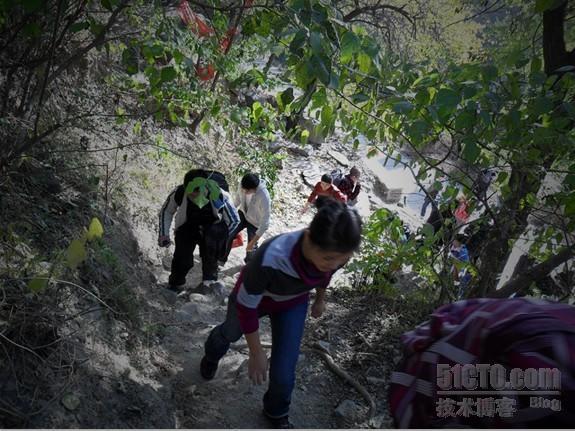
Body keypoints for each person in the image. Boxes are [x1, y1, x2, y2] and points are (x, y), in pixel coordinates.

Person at [200, 200, 362, 428]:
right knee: (230, 333)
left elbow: (327, 274)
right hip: (252, 301)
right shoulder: (271, 256)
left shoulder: (336, 254)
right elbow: (247, 308)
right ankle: (210, 357)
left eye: (341, 259)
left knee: (285, 368)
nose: (334, 264)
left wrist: (320, 299)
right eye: (327, 259)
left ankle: (276, 412)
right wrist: (256, 354)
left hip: (292, 303)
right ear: (308, 238)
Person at [158, 169, 240, 292]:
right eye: (190, 194)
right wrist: (164, 234)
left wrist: (221, 238)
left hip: (212, 229)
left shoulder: (220, 195)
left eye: (196, 194)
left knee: (210, 258)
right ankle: (175, 284)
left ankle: (208, 286)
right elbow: (167, 211)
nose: (193, 197)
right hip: (187, 227)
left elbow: (234, 220)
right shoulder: (179, 192)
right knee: (181, 258)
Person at [224, 173, 271, 263]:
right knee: (229, 234)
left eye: (247, 191)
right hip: (243, 214)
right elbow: (237, 201)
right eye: (243, 189)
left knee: (251, 248)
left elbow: (265, 222)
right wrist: (229, 215)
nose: (244, 192)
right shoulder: (242, 185)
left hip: (255, 222)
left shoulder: (264, 196)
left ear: (254, 189)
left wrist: (253, 242)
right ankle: (221, 259)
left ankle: (250, 265)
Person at [450, 234, 472, 299]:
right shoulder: (456, 250)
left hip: (464, 273)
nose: (452, 242)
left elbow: (461, 268)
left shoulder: (463, 251)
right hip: (460, 273)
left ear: (458, 242)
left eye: (454, 240)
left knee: (462, 290)